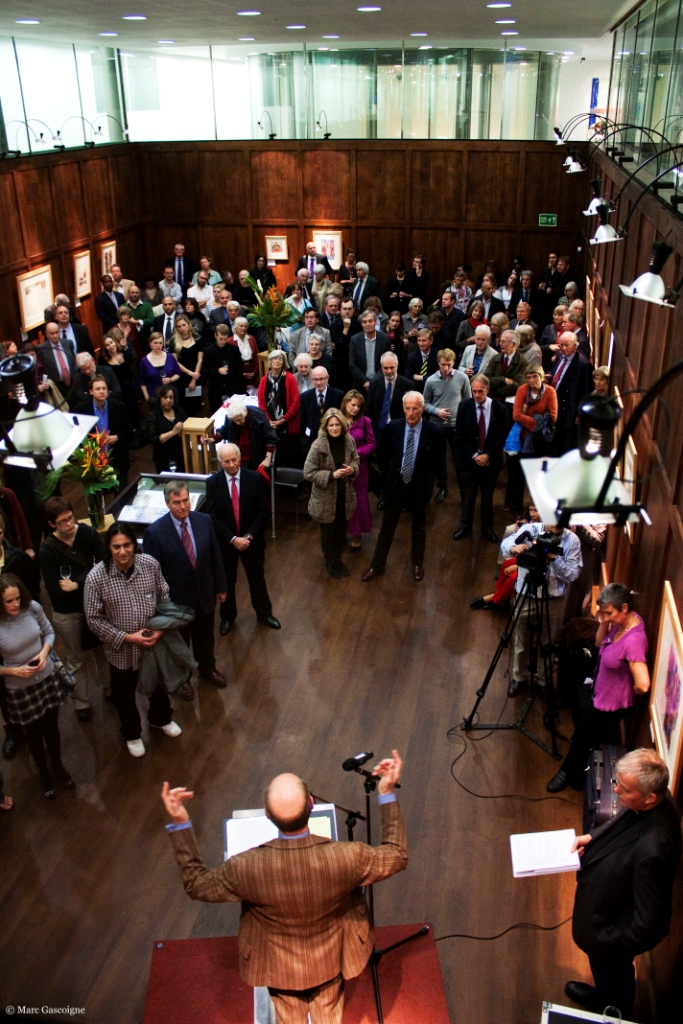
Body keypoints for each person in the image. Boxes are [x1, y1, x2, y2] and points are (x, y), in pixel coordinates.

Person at [162, 749, 406, 1024]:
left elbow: (196, 883)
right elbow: (397, 855)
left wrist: (181, 824)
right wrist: (386, 793)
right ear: (312, 805)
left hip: (278, 967)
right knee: (330, 1010)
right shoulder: (348, 857)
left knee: (288, 1016)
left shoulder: (244, 867)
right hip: (331, 958)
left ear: (267, 814)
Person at [566, 748, 682, 1018]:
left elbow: (651, 925)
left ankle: (613, 1008)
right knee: (605, 977)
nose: (616, 790)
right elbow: (623, 821)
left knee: (614, 978)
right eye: (616, 782)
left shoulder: (654, 852)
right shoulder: (656, 799)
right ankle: (602, 994)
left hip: (609, 935)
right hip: (604, 911)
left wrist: (612, 943)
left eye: (624, 788)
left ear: (650, 797)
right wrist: (593, 838)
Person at [84, 522, 181, 758]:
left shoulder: (149, 564)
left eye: (127, 545)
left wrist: (158, 630)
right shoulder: (96, 578)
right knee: (124, 694)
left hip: (152, 643)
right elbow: (94, 620)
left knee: (157, 686)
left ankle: (161, 719)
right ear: (109, 547)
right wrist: (128, 637)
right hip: (121, 650)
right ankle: (132, 733)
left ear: (133, 544)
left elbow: (164, 597)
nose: (122, 551)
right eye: (116, 546)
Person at [547, 584, 651, 793]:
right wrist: (604, 623)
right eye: (603, 613)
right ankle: (584, 776)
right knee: (589, 728)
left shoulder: (635, 641)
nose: (606, 616)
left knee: (583, 733)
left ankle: (567, 773)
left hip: (613, 702)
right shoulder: (620, 622)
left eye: (609, 613)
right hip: (601, 691)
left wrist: (626, 691)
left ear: (624, 607)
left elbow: (643, 684)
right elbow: (598, 641)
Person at [143, 482, 227, 695]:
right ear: (167, 503)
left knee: (206, 637)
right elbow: (154, 574)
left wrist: (221, 586)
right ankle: (182, 680)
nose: (183, 506)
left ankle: (208, 669)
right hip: (176, 600)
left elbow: (215, 556)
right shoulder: (155, 532)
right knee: (180, 643)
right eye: (177, 502)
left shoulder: (204, 520)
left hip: (205, 592)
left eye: (186, 500)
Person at [0, 573, 73, 799]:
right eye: (8, 601)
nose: (15, 604)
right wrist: (14, 671)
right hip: (20, 688)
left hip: (47, 678)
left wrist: (44, 653)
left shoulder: (32, 607)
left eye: (17, 598)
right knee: (33, 733)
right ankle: (44, 773)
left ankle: (58, 767)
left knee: (52, 727)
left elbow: (49, 632)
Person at [362, 392, 444, 583]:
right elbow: (384, 455)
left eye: (415, 408)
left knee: (418, 526)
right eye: (407, 408)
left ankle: (417, 563)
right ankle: (377, 565)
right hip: (396, 485)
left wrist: (437, 484)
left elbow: (439, 461)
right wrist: (388, 479)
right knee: (386, 527)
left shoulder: (434, 431)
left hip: (419, 487)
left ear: (422, 409)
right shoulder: (394, 427)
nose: (411, 412)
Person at [501, 519, 582, 697]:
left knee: (549, 643)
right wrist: (514, 549)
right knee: (521, 640)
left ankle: (543, 681)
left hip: (554, 599)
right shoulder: (530, 529)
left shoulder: (572, 540)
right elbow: (506, 544)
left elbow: (572, 575)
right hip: (526, 594)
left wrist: (553, 558)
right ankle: (519, 678)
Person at [205, 442, 280, 634]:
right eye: (226, 461)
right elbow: (213, 517)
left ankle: (264, 613)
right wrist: (232, 539)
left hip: (251, 542)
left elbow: (263, 512)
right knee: (227, 581)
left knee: (257, 578)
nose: (231, 464)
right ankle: (228, 618)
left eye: (234, 459)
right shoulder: (213, 483)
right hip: (226, 543)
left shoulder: (254, 478)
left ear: (240, 458)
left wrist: (247, 537)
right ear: (220, 462)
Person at [452, 374, 508, 543]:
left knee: (487, 496)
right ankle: (465, 525)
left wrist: (488, 455)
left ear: (487, 389)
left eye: (480, 391)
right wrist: (476, 455)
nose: (477, 395)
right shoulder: (464, 406)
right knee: (469, 495)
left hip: (491, 461)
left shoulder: (499, 408)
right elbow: (460, 435)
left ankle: (487, 527)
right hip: (470, 461)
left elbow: (502, 435)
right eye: (474, 391)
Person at [304, 409, 359, 579]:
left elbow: (356, 460)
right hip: (325, 497)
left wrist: (352, 469)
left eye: (337, 425)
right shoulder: (318, 445)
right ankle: (330, 562)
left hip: (344, 495)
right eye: (331, 425)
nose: (334, 428)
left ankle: (338, 560)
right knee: (328, 532)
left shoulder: (349, 440)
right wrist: (331, 475)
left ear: (342, 425)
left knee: (341, 530)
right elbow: (308, 472)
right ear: (326, 427)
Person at [504, 365, 558, 512]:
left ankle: (536, 507)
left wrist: (528, 419)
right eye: (529, 377)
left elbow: (552, 417)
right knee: (516, 471)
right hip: (522, 437)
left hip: (539, 441)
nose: (532, 380)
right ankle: (513, 503)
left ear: (542, 377)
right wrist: (536, 423)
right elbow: (516, 415)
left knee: (536, 473)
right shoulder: (522, 390)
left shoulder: (550, 392)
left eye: (535, 376)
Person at [423, 347, 471, 505]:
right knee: (439, 459)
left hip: (456, 426)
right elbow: (424, 403)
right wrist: (437, 411)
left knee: (459, 459)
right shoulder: (431, 381)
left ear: (454, 363)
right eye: (443, 364)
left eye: (449, 365)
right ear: (438, 363)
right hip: (436, 426)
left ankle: (465, 490)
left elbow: (468, 402)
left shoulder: (462, 378)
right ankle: (443, 487)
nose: (446, 368)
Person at [75, 375, 132, 489]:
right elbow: (77, 435)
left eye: (104, 388)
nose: (101, 391)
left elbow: (129, 430)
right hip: (94, 459)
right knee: (98, 495)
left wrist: (117, 437)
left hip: (117, 457)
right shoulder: (81, 409)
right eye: (97, 389)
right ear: (91, 391)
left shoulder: (119, 407)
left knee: (121, 491)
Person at [340, 390, 376, 551]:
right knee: (340, 499)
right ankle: (341, 531)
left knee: (357, 500)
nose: (355, 408)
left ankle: (356, 533)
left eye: (358, 406)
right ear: (345, 403)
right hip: (339, 466)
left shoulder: (365, 421)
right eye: (352, 405)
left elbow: (371, 444)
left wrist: (355, 455)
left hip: (359, 467)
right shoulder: (336, 420)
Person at [548, 332, 594, 454]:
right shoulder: (559, 355)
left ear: (575, 345)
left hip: (568, 410)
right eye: (561, 345)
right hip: (554, 404)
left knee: (565, 444)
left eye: (566, 345)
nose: (563, 348)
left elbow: (585, 392)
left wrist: (579, 414)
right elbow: (557, 374)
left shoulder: (583, 364)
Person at [257, 350, 301, 467]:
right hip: (270, 424)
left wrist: (282, 420)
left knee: (288, 455)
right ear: (270, 362)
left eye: (280, 359)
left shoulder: (290, 378)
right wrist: (269, 421)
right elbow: (261, 403)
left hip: (288, 424)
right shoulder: (263, 380)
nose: (277, 361)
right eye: (275, 358)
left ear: (284, 362)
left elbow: (296, 403)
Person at [365, 352, 412, 448]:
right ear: (381, 367)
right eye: (385, 368)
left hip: (399, 431)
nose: (389, 371)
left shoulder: (407, 385)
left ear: (397, 366)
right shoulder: (374, 383)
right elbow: (370, 409)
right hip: (379, 431)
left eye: (392, 367)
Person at [213, 401, 278, 470]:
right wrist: (213, 439)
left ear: (245, 413)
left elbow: (271, 438)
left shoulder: (258, 419)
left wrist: (267, 458)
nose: (237, 423)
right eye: (235, 421)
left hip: (255, 458)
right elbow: (225, 430)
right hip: (236, 458)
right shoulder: (231, 419)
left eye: (239, 419)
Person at [299, 366, 344, 455]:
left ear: (327, 378)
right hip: (311, 443)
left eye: (321, 379)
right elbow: (302, 421)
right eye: (316, 380)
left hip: (333, 443)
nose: (319, 383)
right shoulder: (305, 397)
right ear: (312, 379)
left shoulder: (338, 395)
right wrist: (305, 441)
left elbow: (342, 420)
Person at [146, 385, 187, 473]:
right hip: (163, 457)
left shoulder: (180, 412)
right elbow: (154, 438)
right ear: (159, 398)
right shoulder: (153, 416)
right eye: (165, 397)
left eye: (171, 397)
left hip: (180, 455)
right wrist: (173, 432)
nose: (168, 400)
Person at [203, 324, 245, 411]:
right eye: (220, 339)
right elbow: (204, 371)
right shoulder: (208, 351)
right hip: (216, 391)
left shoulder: (234, 350)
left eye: (225, 339)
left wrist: (237, 389)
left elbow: (239, 370)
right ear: (215, 335)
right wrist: (217, 371)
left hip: (232, 390)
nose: (222, 341)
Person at [170, 314, 204, 415]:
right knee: (184, 406)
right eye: (179, 326)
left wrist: (194, 377)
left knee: (196, 406)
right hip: (182, 377)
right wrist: (190, 374)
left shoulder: (198, 339)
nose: (182, 328)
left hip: (196, 376)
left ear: (189, 324)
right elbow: (176, 362)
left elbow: (200, 360)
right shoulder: (173, 341)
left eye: (184, 325)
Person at [349, 310, 392, 390]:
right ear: (361, 324)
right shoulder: (355, 339)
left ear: (375, 322)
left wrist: (373, 382)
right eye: (364, 322)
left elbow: (386, 362)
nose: (368, 324)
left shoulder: (385, 339)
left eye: (370, 321)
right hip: (360, 384)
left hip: (380, 383)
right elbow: (352, 364)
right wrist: (365, 381)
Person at [36, 321, 77, 404]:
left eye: (56, 332)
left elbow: (73, 362)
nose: (55, 335)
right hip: (56, 388)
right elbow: (40, 370)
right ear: (47, 334)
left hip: (72, 384)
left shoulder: (68, 343)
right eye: (51, 333)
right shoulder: (41, 349)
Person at [139, 333, 183, 404]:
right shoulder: (144, 361)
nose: (158, 345)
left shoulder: (170, 357)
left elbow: (178, 374)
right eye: (155, 343)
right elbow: (142, 381)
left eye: (160, 343)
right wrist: (147, 397)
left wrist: (170, 379)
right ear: (150, 343)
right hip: (154, 397)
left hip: (170, 396)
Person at [487, 330, 528, 402]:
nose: (500, 344)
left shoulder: (523, 362)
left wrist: (493, 390)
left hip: (510, 401)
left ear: (514, 344)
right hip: (491, 398)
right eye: (500, 341)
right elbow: (486, 380)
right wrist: (503, 380)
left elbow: (518, 386)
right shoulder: (495, 358)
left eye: (504, 342)